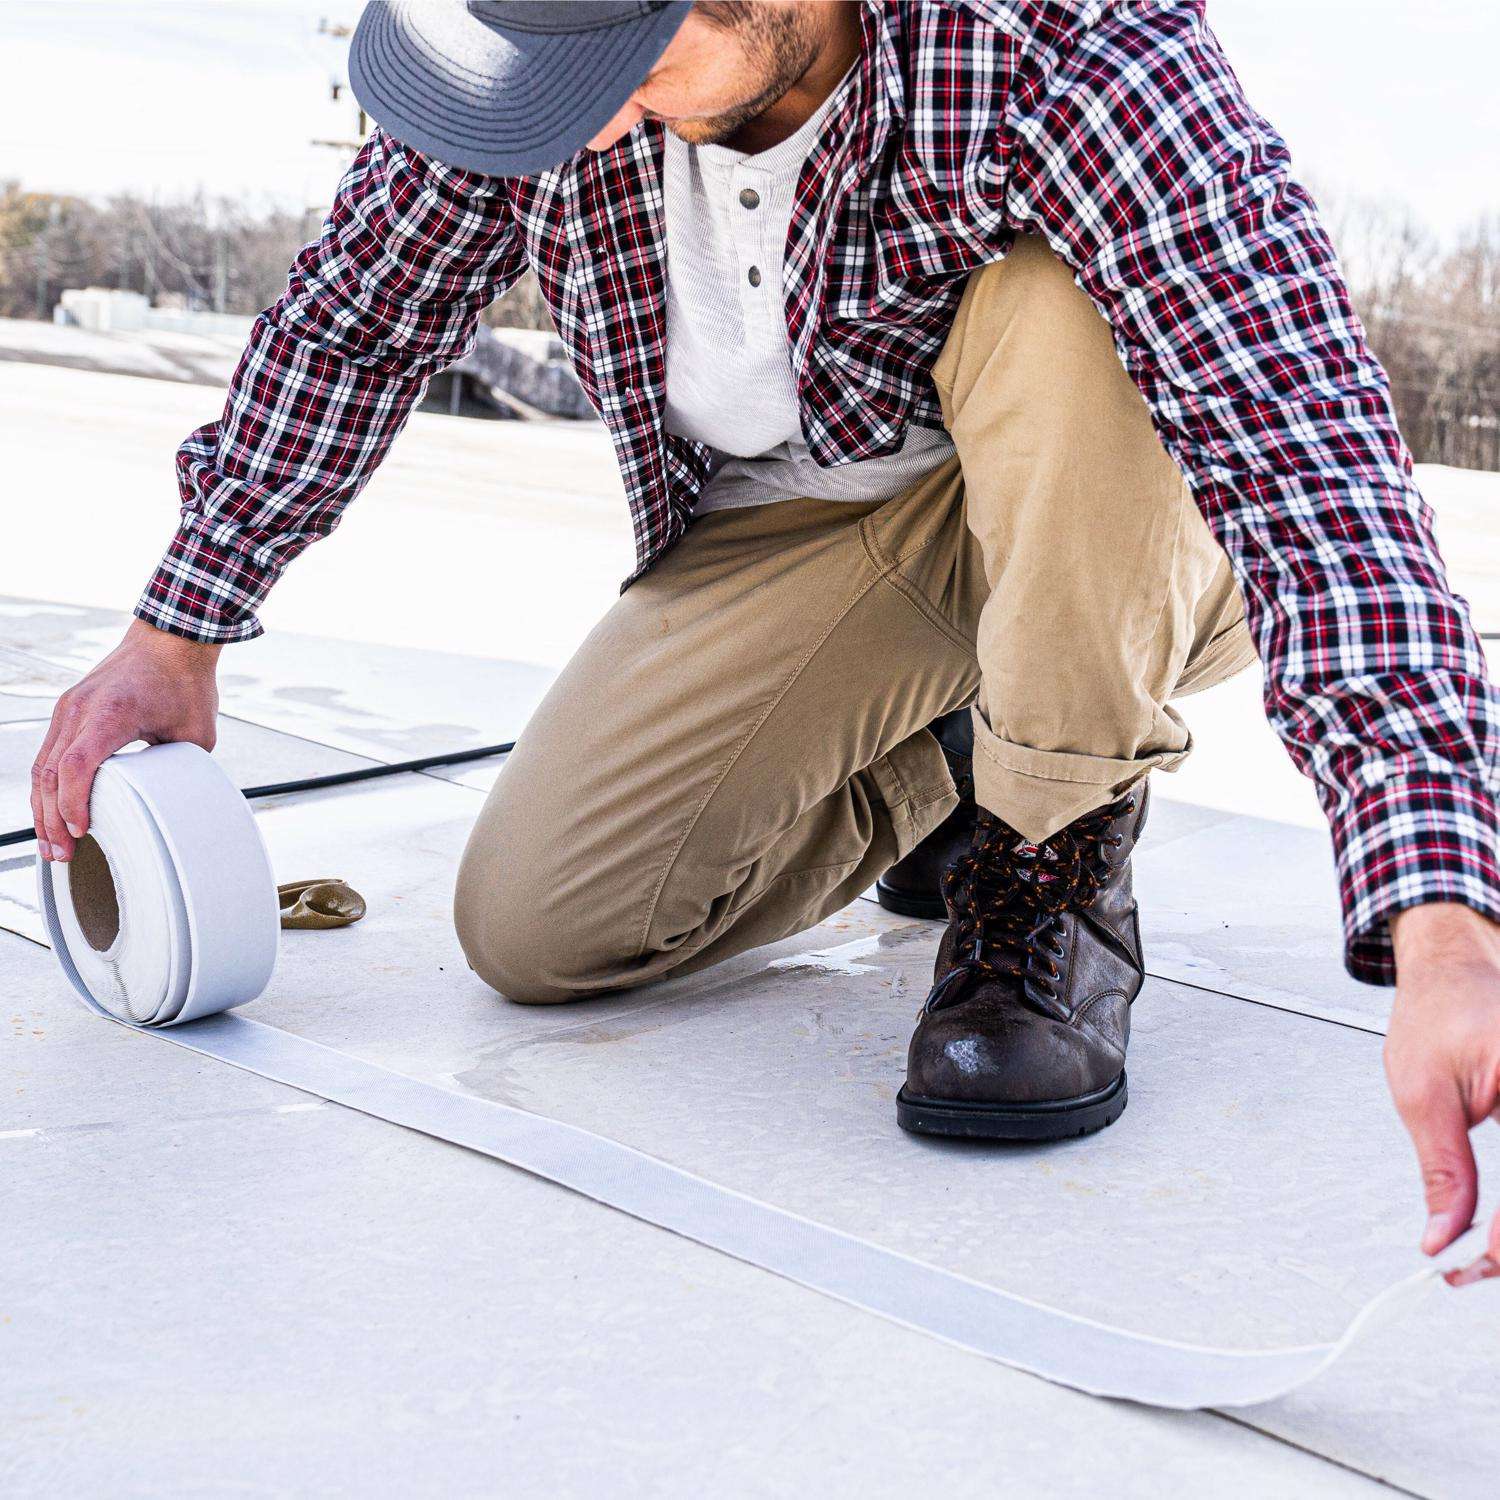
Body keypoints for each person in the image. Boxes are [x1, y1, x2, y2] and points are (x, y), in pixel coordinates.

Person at [30, 2, 1498, 1268]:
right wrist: (181, 629)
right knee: (545, 928)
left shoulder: (1064, 42)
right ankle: (957, 746)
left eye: (627, 60)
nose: (589, 129)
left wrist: (1447, 925)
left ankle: (1051, 834)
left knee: (1062, 316)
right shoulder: (544, 70)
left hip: (1107, 493)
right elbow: (356, 323)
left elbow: (1302, 455)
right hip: (803, 531)